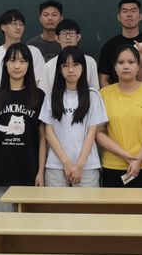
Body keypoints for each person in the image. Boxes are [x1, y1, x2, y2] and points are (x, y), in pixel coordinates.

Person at [0, 43, 46, 211]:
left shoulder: (38, 96)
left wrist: (41, 171)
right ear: (5, 64)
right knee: (0, 223)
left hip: (29, 172)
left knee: (29, 223)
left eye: (22, 61)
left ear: (29, 65)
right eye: (12, 60)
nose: (17, 66)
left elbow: (43, 138)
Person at [39, 46, 107, 187]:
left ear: (83, 68)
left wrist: (79, 165)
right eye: (65, 65)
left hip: (87, 166)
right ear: (60, 69)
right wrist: (66, 164)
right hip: (56, 165)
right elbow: (49, 134)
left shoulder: (93, 96)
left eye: (75, 65)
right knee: (55, 203)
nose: (71, 70)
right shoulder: (51, 96)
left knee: (87, 203)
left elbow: (91, 133)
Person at [96, 45, 142, 187]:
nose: (126, 66)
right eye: (121, 62)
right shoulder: (104, 94)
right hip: (113, 165)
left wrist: (138, 159)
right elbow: (99, 133)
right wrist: (126, 156)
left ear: (138, 66)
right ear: (114, 67)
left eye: (131, 62)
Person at [0, 9, 45, 92]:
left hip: (29, 98)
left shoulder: (34, 52)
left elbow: (40, 82)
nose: (18, 27)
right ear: (3, 27)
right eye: (14, 24)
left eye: (21, 24)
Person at [98, 0, 142, 87]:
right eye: (125, 11)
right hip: (116, 94)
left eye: (133, 11)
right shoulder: (109, 46)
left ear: (140, 16)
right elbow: (103, 78)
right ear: (119, 17)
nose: (129, 15)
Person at [38, 19, 99, 94]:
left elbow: (95, 90)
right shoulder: (48, 66)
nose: (68, 37)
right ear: (57, 38)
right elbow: (44, 93)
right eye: (64, 34)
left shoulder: (90, 62)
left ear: (78, 37)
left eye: (71, 33)